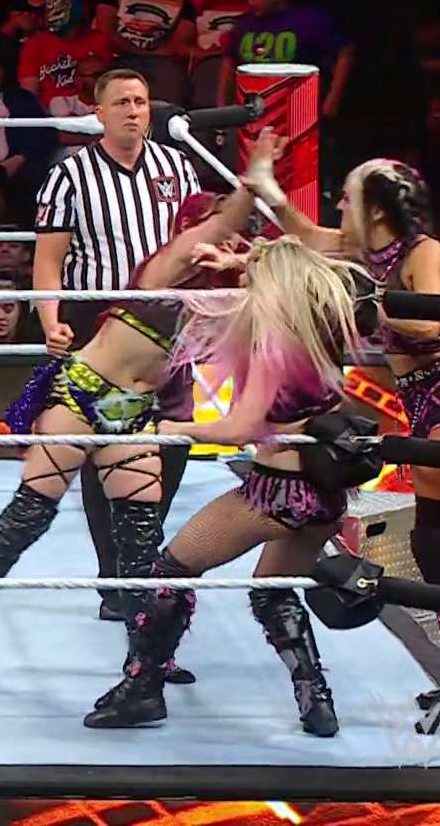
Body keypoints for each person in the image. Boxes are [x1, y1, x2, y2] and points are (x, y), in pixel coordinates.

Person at [0, 157, 262, 679]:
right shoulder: (165, 266)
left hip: (133, 412)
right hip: (84, 393)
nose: (229, 241)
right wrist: (253, 188)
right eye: (219, 231)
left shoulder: (230, 295)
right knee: (32, 510)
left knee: (141, 538)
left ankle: (147, 658)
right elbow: (218, 229)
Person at [83, 235, 373, 738]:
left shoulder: (273, 343)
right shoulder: (320, 328)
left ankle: (142, 689)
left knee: (170, 573)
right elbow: (317, 267)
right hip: (324, 495)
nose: (243, 286)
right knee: (273, 592)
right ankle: (316, 701)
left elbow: (240, 428)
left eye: (250, 279)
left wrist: (177, 428)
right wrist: (242, 259)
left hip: (275, 492)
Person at [256, 149, 440, 733]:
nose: (339, 205)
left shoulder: (423, 251)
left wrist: (368, 304)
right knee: (438, 544)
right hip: (422, 400)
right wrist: (266, 187)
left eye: (348, 197)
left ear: (377, 208)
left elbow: (430, 323)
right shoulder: (369, 252)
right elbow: (307, 235)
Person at [32, 67, 203, 620]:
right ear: (99, 113)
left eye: (141, 101)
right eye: (123, 102)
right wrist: (51, 321)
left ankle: (142, 556)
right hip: (102, 325)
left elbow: (196, 244)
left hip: (170, 323)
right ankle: (117, 580)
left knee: (175, 437)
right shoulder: (70, 175)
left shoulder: (177, 166)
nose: (134, 111)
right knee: (107, 445)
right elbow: (49, 260)